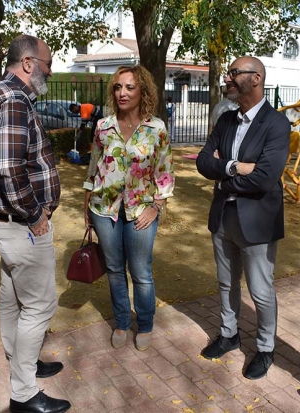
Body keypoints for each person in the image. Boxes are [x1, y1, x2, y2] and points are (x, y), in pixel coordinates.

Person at [0, 35, 70, 413]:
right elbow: (10, 171)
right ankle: (24, 395)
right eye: (47, 63)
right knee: (39, 306)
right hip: (22, 224)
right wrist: (36, 214)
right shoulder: (14, 99)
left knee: (11, 297)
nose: (50, 70)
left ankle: (21, 362)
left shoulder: (0, 92)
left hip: (7, 222)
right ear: (28, 63)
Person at [195, 57, 290, 380]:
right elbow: (203, 162)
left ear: (257, 78)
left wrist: (221, 175)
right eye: (229, 73)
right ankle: (229, 334)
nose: (228, 78)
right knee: (226, 283)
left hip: (257, 220)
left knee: (261, 291)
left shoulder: (276, 123)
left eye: (235, 73)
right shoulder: (225, 120)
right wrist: (234, 167)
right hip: (223, 215)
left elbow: (264, 179)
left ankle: (265, 349)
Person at [83, 65, 175, 352]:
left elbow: (165, 172)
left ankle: (145, 323)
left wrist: (157, 206)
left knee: (141, 271)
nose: (122, 93)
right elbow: (93, 168)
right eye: (118, 87)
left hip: (141, 210)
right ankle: (122, 321)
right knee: (113, 269)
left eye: (129, 87)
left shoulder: (156, 128)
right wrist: (87, 207)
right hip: (104, 209)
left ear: (143, 92)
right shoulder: (103, 126)